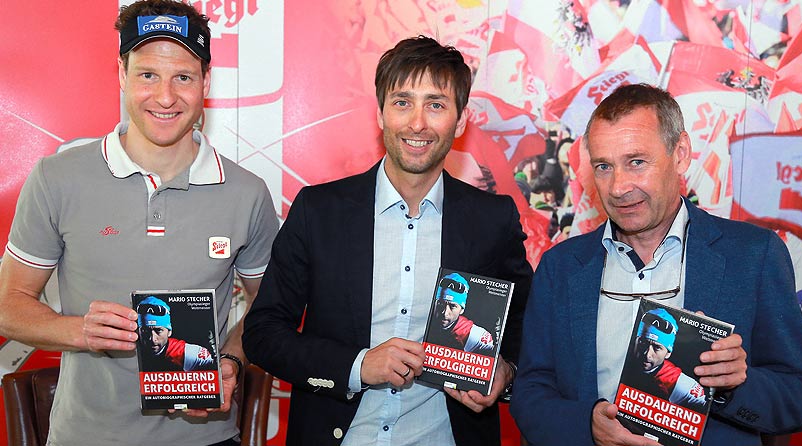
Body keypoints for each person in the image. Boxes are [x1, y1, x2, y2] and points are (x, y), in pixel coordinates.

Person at [0, 1, 278, 445]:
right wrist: (78, 330)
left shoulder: (246, 193)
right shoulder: (57, 177)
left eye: (182, 77)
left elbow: (269, 308)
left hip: (205, 438)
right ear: (122, 74)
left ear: (205, 82)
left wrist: (231, 360)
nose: (165, 97)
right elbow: (7, 306)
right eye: (148, 75)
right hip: (85, 437)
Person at [242, 36, 533, 446]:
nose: (417, 123)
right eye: (402, 102)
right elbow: (263, 333)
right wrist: (358, 366)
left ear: (461, 121)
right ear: (380, 114)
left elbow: (526, 324)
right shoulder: (319, 211)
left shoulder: (492, 219)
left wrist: (507, 371)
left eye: (436, 105)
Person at [511, 84, 802, 445]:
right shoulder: (561, 267)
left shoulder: (753, 255)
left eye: (636, 162)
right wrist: (588, 427)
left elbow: (801, 397)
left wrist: (735, 385)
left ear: (680, 154)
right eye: (604, 167)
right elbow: (530, 393)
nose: (618, 187)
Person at [626, 308, 706, 412]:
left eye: (657, 348)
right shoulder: (619, 360)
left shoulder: (681, 385)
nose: (647, 354)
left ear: (668, 353)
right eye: (643, 343)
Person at [137, 296, 216, 372]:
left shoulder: (188, 353)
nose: (152, 339)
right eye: (145, 331)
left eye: (158, 330)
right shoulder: (134, 351)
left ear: (169, 332)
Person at [428, 272, 495, 355]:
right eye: (440, 304)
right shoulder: (423, 323)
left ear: (462, 310)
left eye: (452, 306)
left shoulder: (476, 336)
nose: (445, 313)